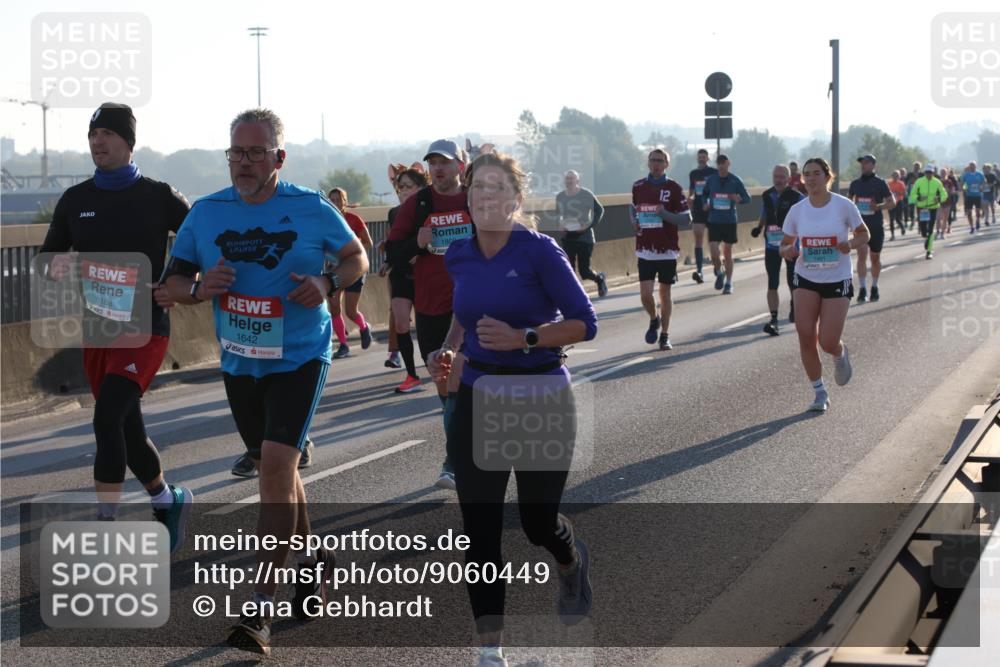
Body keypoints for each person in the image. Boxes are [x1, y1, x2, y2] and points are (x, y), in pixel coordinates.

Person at [164, 108, 368, 655]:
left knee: (276, 467)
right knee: (277, 467)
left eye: (256, 153)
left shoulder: (310, 207)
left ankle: (260, 608)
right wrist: (200, 291)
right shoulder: (206, 214)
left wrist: (326, 281)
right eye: (236, 152)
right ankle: (313, 555)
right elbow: (172, 284)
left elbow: (356, 257)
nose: (244, 162)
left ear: (279, 158)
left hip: (301, 354)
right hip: (240, 361)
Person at [427, 151, 597, 667]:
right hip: (479, 396)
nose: (485, 197)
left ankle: (570, 561)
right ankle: (489, 650)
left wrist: (525, 337)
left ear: (517, 200)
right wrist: (450, 348)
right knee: (478, 530)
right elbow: (465, 312)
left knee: (537, 523)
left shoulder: (540, 252)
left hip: (539, 394)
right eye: (478, 187)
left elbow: (584, 323)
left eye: (498, 188)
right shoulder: (458, 253)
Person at [39, 102, 193, 550]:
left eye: (107, 134)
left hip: (146, 326)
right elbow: (46, 261)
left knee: (106, 420)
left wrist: (180, 284)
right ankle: (166, 499)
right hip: (99, 328)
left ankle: (105, 526)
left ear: (128, 141)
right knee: (126, 428)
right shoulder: (76, 200)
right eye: (93, 135)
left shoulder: (159, 196)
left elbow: (200, 241)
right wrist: (58, 266)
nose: (97, 142)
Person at [387, 139, 472, 491]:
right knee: (444, 383)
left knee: (462, 380)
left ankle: (453, 460)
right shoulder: (419, 203)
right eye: (433, 162)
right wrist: (417, 244)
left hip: (472, 301)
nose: (439, 168)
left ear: (460, 167)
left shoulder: (474, 198)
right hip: (432, 304)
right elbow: (393, 249)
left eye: (446, 162)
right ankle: (459, 443)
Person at [780, 157, 869, 413]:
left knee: (827, 341)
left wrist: (849, 244)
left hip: (837, 278)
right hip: (806, 277)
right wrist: (787, 251)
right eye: (806, 174)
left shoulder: (844, 206)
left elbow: (864, 234)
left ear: (827, 176)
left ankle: (839, 353)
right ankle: (819, 393)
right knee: (805, 332)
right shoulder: (798, 210)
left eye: (816, 173)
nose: (810, 178)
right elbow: (785, 243)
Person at [632, 148, 692, 349]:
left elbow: (686, 219)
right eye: (653, 160)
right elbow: (633, 209)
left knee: (665, 294)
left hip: (666, 250)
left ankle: (665, 335)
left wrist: (665, 214)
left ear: (667, 164)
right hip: (645, 249)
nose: (656, 163)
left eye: (660, 160)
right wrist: (635, 222)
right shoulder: (638, 186)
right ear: (648, 163)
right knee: (645, 294)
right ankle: (653, 317)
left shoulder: (673, 188)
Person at [384, 162, 429, 393]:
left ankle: (441, 369)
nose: (402, 191)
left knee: (426, 329)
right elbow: (394, 243)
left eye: (408, 186)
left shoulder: (429, 209)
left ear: (420, 188)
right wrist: (388, 261)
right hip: (401, 274)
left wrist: (419, 253)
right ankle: (411, 375)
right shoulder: (393, 213)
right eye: (400, 187)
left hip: (424, 275)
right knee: (401, 323)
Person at [751, 164, 803, 334]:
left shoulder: (797, 197)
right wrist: (759, 227)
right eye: (776, 177)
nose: (778, 180)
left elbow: (805, 217)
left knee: (792, 280)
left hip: (790, 246)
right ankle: (773, 319)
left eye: (782, 177)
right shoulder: (767, 195)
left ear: (788, 178)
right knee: (772, 281)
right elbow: (765, 212)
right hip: (772, 245)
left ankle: (795, 307)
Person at [326, 187, 374, 358]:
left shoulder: (354, 220)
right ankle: (343, 345)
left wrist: (354, 255)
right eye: (332, 200)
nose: (335, 203)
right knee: (333, 305)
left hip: (354, 270)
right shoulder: (326, 221)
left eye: (339, 200)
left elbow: (368, 243)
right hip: (335, 271)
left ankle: (363, 326)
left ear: (345, 202)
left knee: (351, 311)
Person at [848, 154, 894, 303]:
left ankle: (874, 286)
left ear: (873, 165)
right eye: (862, 163)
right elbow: (848, 202)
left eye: (866, 163)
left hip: (875, 226)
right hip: (860, 227)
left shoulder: (880, 183)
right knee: (861, 256)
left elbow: (892, 202)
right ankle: (862, 288)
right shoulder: (855, 183)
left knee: (875, 258)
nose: (863, 165)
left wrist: (878, 206)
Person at [702, 154, 751, 294]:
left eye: (723, 163)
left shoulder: (735, 180)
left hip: (729, 221)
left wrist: (738, 199)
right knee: (713, 251)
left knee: (727, 253)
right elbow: (704, 195)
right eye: (719, 163)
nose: (721, 166)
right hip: (714, 220)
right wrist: (705, 203)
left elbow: (747, 198)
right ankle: (718, 271)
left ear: (729, 164)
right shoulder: (711, 180)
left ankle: (729, 283)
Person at [556, 170, 608, 297]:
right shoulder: (560, 196)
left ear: (577, 181)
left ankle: (599, 278)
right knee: (569, 269)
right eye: (567, 179)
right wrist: (560, 225)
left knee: (584, 272)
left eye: (572, 179)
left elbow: (599, 210)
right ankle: (573, 295)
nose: (569, 181)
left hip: (585, 237)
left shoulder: (586, 194)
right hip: (568, 237)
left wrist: (588, 225)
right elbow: (558, 215)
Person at [687, 148, 718, 282]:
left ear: (708, 158)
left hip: (711, 210)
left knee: (713, 242)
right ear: (697, 158)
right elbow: (692, 190)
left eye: (704, 156)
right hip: (698, 210)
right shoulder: (693, 173)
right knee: (698, 239)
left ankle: (717, 267)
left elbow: (717, 189)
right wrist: (691, 198)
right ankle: (699, 271)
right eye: (699, 157)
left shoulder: (713, 172)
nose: (701, 159)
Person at [908, 165, 948, 259]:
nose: (929, 174)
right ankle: (926, 238)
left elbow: (944, 194)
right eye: (927, 172)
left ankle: (929, 251)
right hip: (922, 208)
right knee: (923, 231)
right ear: (924, 173)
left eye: (930, 172)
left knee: (930, 229)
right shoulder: (919, 181)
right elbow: (912, 194)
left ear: (933, 173)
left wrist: (939, 199)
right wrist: (918, 198)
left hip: (933, 208)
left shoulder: (937, 182)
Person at [960, 161, 985, 234]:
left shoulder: (980, 174)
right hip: (969, 195)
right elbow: (962, 183)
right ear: (969, 167)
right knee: (969, 213)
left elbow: (984, 182)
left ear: (975, 166)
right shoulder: (966, 175)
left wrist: (982, 187)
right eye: (970, 166)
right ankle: (972, 227)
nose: (972, 167)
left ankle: (977, 221)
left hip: (978, 195)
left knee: (977, 211)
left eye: (973, 166)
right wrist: (964, 188)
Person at [887, 170, 907, 239]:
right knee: (891, 219)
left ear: (899, 176)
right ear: (892, 176)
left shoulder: (901, 183)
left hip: (899, 202)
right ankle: (892, 235)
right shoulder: (889, 184)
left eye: (897, 175)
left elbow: (904, 193)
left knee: (898, 218)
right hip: (891, 203)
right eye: (894, 175)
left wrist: (898, 192)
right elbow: (886, 194)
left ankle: (902, 227)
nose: (895, 177)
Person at [938, 167, 957, 238]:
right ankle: (939, 231)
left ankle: (942, 233)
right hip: (939, 202)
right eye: (942, 172)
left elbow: (952, 190)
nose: (943, 174)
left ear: (947, 173)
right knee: (939, 217)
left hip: (947, 202)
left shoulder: (949, 182)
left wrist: (950, 191)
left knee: (945, 218)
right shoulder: (937, 182)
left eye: (944, 172)